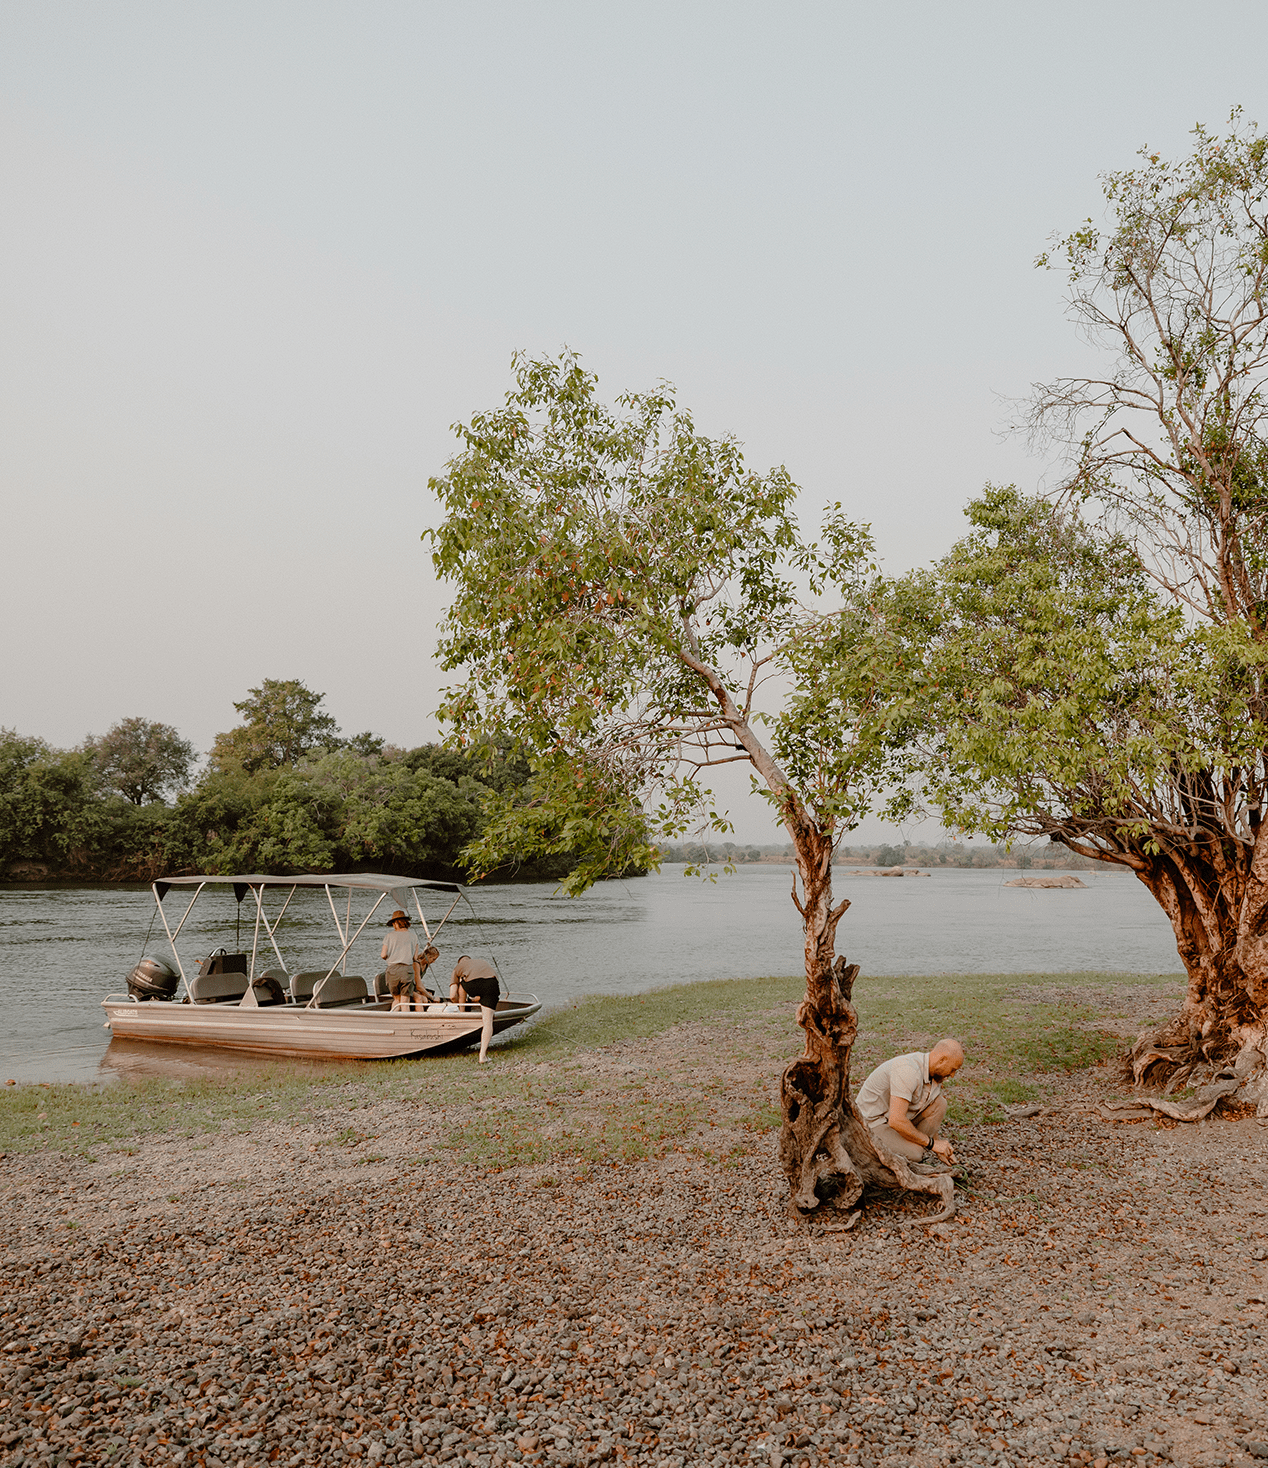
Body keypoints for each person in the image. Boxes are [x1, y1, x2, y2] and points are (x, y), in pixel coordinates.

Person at [856, 1038, 965, 1169]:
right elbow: (896, 1120)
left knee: (940, 1104)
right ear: (942, 1060)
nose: (952, 1075)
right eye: (953, 1069)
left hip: (891, 1118)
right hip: (870, 1124)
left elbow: (925, 1113)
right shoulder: (908, 1070)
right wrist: (931, 1144)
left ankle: (907, 1145)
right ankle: (879, 1155)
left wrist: (938, 1146)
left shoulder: (935, 1075)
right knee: (916, 1153)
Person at [379, 911, 437, 1012]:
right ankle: (411, 1023)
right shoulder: (413, 936)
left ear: (396, 923)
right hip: (407, 971)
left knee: (397, 999)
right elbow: (415, 958)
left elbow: (383, 955)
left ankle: (392, 1020)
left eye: (393, 924)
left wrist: (391, 957)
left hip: (393, 970)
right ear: (406, 922)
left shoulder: (389, 936)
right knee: (405, 1001)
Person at [450, 954, 501, 1063]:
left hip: (472, 985)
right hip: (492, 984)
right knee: (487, 1023)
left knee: (462, 984)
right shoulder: (482, 961)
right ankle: (482, 1056)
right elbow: (486, 983)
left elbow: (452, 995)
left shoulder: (458, 967)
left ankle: (462, 1012)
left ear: (460, 962)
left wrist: (457, 1003)